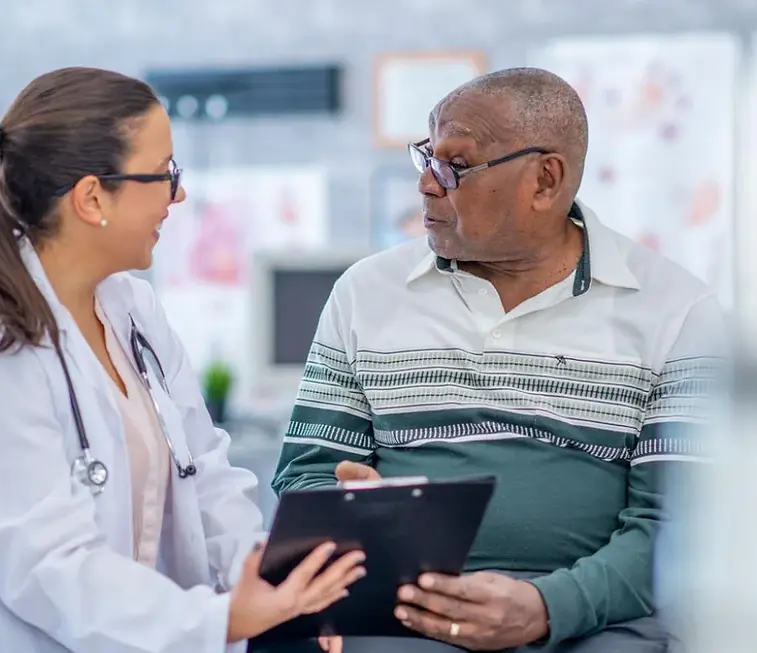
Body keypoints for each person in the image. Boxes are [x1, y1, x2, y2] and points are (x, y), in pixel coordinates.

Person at [0, 67, 365, 653]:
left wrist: (266, 579)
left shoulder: (133, 309)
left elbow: (206, 472)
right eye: (165, 174)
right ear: (93, 197)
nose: (179, 194)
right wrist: (218, 622)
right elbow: (44, 567)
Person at [271, 67, 726, 653]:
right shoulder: (366, 292)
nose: (428, 186)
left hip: (598, 620)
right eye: (426, 158)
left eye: (454, 165)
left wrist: (546, 608)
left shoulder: (679, 311)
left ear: (545, 180)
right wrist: (346, 516)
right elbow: (305, 473)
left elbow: (677, 529)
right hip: (408, 610)